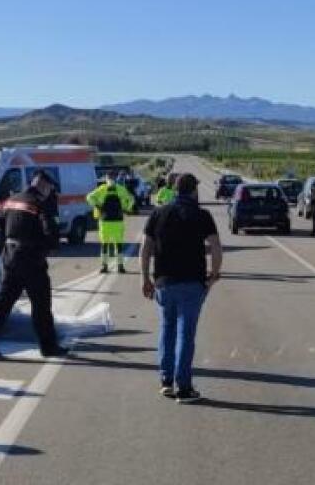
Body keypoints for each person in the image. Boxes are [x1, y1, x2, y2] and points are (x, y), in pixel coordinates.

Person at [140, 173, 222, 404]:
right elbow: (215, 247)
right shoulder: (202, 215)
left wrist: (144, 278)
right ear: (194, 190)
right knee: (186, 334)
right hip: (192, 283)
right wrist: (213, 275)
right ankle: (183, 387)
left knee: (167, 330)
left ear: (175, 189)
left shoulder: (158, 213)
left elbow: (145, 249)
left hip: (164, 283)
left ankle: (166, 381)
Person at [0, 170, 67, 360]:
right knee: (41, 305)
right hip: (31, 259)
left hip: (10, 257)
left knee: (1, 303)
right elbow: (51, 235)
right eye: (50, 188)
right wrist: (46, 245)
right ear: (45, 186)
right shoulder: (40, 204)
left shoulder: (13, 199)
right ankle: (48, 347)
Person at [86, 171, 135, 274]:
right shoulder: (121, 189)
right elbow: (131, 199)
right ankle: (120, 266)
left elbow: (89, 197)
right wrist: (126, 208)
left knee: (104, 245)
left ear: (106, 178)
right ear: (116, 177)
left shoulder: (102, 189)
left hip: (105, 221)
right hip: (118, 221)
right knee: (118, 245)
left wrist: (98, 206)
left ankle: (104, 266)